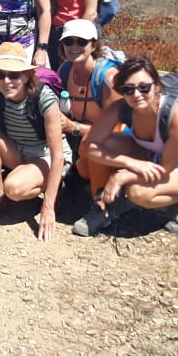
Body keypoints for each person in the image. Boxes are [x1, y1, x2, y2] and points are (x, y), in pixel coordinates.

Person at [76, 56, 178, 236]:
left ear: (157, 86)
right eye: (128, 89)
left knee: (137, 192)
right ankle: (102, 206)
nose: (136, 95)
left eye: (144, 87)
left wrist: (122, 178)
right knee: (102, 145)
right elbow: (88, 146)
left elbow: (165, 168)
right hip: (152, 155)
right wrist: (131, 163)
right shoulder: (121, 107)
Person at [0, 42, 70, 241]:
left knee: (15, 188)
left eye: (14, 75)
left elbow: (58, 155)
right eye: (0, 75)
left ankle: (51, 187)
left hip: (43, 155)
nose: (6, 81)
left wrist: (48, 206)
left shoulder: (44, 98)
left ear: (27, 76)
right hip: (16, 150)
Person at [54, 19, 123, 220]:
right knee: (84, 167)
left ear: (93, 45)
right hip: (84, 143)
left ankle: (101, 209)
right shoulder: (65, 71)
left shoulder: (108, 77)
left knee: (90, 147)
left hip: (117, 141)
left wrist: (74, 127)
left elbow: (117, 126)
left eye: (81, 42)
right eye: (69, 42)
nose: (74, 47)